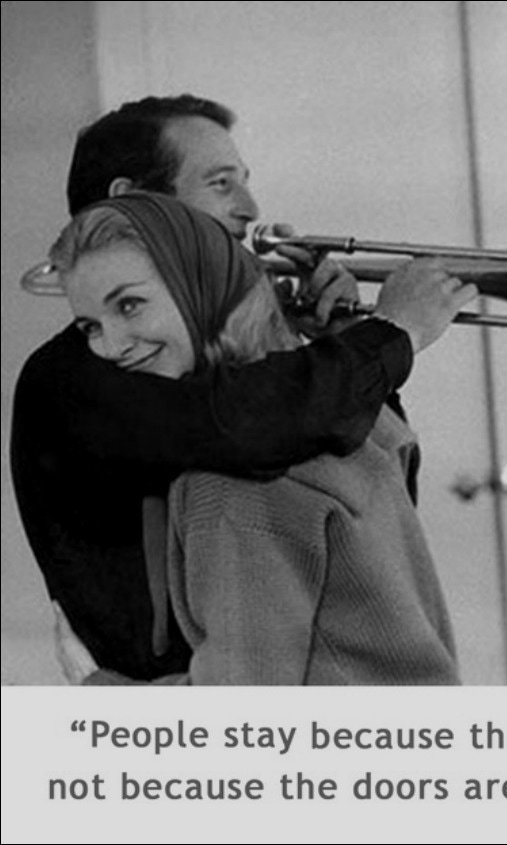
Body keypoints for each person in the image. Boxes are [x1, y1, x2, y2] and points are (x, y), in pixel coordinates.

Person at [11, 95, 472, 681]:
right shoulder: (77, 381)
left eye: (129, 306)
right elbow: (244, 427)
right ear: (137, 200)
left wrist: (342, 343)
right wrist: (386, 336)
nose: (251, 211)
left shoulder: (259, 434)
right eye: (220, 183)